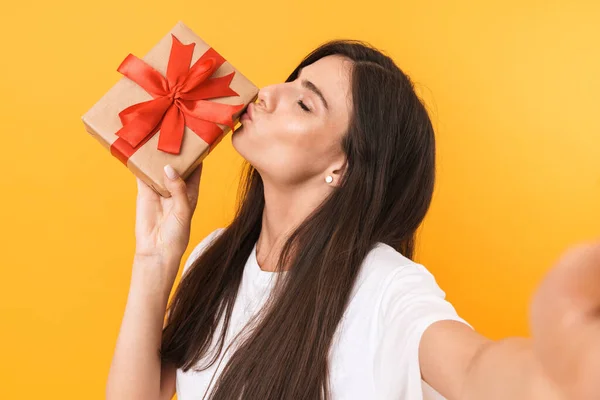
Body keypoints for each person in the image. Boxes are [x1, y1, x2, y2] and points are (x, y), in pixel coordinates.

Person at [105, 40, 600, 400]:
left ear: (341, 167)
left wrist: (559, 371)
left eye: (304, 102)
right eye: (292, 79)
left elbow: (473, 367)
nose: (268, 94)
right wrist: (155, 258)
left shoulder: (385, 287)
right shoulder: (215, 257)